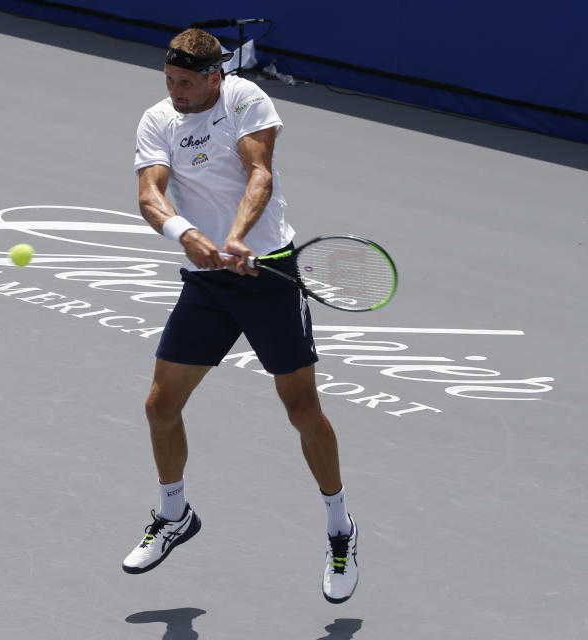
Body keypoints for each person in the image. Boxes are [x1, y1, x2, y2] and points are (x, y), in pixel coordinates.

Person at [121, 28, 358, 604]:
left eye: (186, 82)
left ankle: (339, 528)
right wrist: (189, 235)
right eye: (169, 81)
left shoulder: (247, 100)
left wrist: (234, 235)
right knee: (160, 405)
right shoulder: (157, 119)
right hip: (208, 284)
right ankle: (175, 515)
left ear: (215, 77)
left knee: (302, 411)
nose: (174, 92)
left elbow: (260, 173)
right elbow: (151, 196)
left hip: (268, 276)